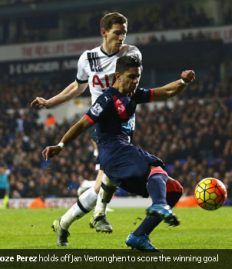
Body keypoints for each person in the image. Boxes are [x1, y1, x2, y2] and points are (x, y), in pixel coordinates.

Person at [42, 55, 195, 250]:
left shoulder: (133, 94)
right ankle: (159, 205)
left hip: (123, 153)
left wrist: (183, 81)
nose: (135, 81)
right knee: (155, 167)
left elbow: (167, 92)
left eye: (137, 76)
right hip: (113, 152)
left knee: (174, 189)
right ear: (117, 76)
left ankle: (139, 236)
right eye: (131, 77)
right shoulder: (107, 99)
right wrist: (60, 146)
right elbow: (82, 124)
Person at [31, 12, 142, 233]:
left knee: (106, 179)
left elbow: (134, 84)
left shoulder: (132, 53)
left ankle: (64, 222)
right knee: (110, 173)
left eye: (124, 33)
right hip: (101, 122)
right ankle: (99, 214)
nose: (121, 37)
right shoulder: (88, 58)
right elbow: (77, 87)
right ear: (104, 32)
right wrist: (49, 102)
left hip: (125, 123)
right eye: (117, 33)